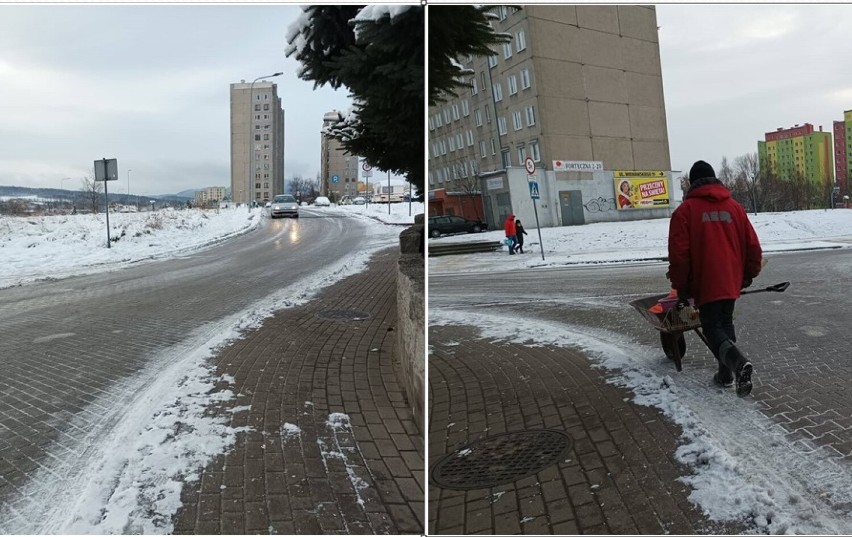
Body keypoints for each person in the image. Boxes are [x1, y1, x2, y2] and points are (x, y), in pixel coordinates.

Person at [668, 160, 763, 397]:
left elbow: (679, 255)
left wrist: (681, 287)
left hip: (705, 281)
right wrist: (748, 274)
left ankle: (738, 364)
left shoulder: (684, 212)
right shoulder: (735, 208)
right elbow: (753, 246)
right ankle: (725, 375)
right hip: (731, 279)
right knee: (725, 322)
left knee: (712, 328)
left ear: (692, 183)